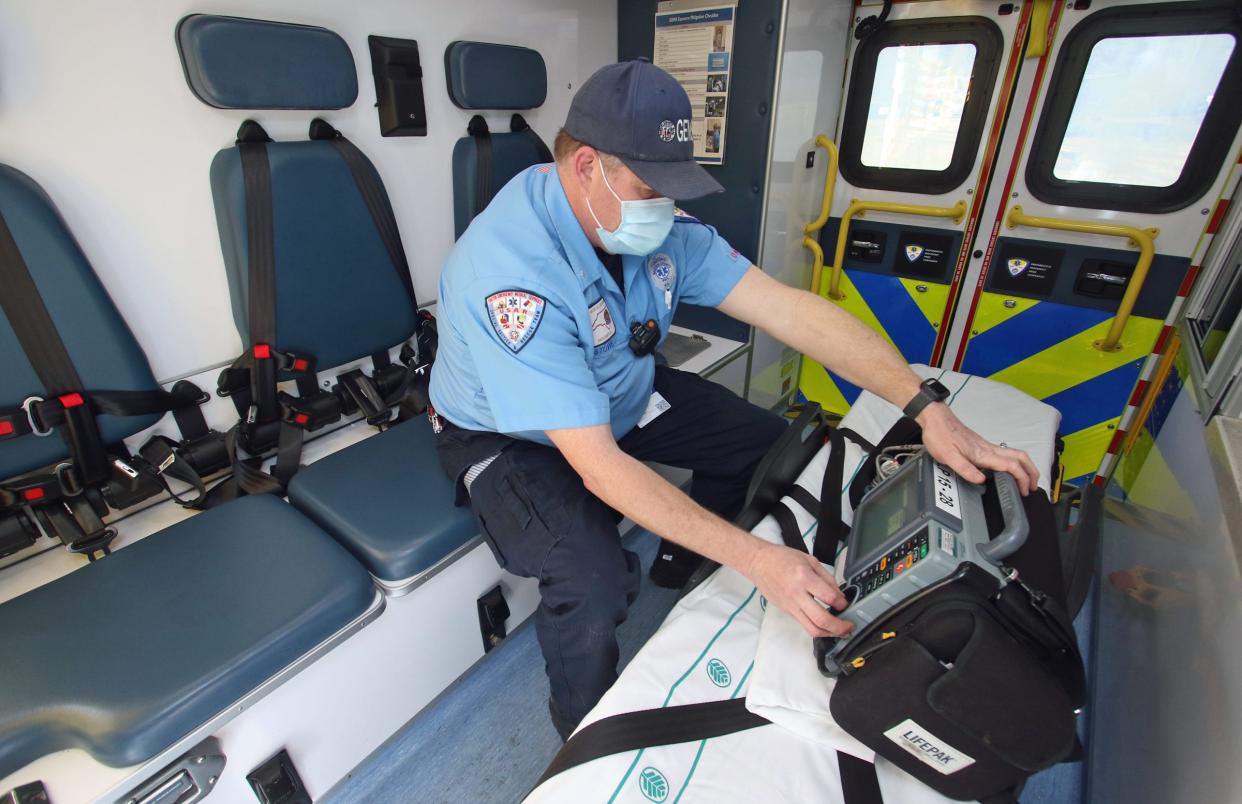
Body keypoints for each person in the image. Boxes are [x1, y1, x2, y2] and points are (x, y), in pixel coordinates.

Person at [428, 59, 1039, 740]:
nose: (662, 205)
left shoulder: (644, 221)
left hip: (617, 390)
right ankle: (584, 734)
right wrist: (759, 561)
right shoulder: (512, 276)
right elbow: (596, 463)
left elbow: (789, 311)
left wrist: (925, 408)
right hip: (515, 436)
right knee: (592, 577)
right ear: (585, 168)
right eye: (648, 186)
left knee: (765, 446)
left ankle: (685, 560)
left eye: (672, 186)